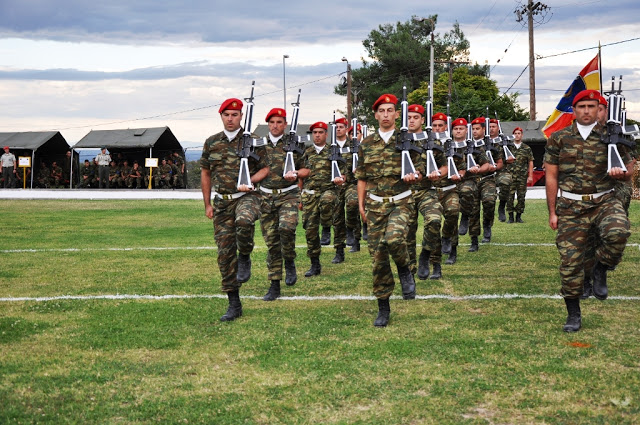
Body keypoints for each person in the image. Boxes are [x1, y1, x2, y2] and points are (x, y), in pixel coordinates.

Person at [544, 89, 633, 333]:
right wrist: (553, 212)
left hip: (604, 200)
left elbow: (629, 170)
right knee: (570, 263)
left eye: (591, 107)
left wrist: (621, 172)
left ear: (598, 109)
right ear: (574, 110)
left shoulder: (613, 135)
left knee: (619, 232)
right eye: (581, 106)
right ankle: (573, 313)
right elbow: (551, 176)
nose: (586, 111)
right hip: (571, 207)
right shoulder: (559, 138)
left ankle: (601, 268)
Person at [355, 94, 422, 327]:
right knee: (378, 258)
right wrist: (361, 205)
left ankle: (404, 268)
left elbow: (421, 169)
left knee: (394, 239)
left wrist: (415, 176)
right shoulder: (366, 144)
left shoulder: (407, 141)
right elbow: (361, 177)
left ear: (396, 114)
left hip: (401, 201)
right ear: (375, 115)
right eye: (381, 111)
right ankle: (383, 306)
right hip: (375, 206)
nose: (385, 114)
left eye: (389, 110)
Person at [200, 97, 269, 322]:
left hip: (246, 196)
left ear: (242, 116)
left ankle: (246, 254)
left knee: (244, 221)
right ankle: (234, 302)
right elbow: (206, 173)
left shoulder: (254, 141)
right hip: (222, 202)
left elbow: (266, 168)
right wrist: (207, 204)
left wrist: (251, 180)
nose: (230, 119)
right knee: (224, 253)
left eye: (235, 115)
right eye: (226, 115)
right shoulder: (212, 142)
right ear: (221, 117)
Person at [258, 107, 305, 301]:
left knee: (286, 228)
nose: (275, 126)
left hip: (288, 195)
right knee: (271, 242)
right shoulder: (258, 145)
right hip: (266, 197)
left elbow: (307, 169)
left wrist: (296, 174)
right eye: (272, 122)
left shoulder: (295, 144)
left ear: (285, 125)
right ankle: (274, 283)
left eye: (279, 122)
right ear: (268, 124)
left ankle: (290, 259)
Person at [297, 121, 345, 278]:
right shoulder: (306, 152)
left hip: (329, 190)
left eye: (320, 132)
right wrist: (299, 196)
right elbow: (300, 176)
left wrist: (340, 179)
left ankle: (328, 231)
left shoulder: (333, 150)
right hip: (309, 194)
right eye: (315, 133)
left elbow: (344, 173)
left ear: (326, 134)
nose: (317, 135)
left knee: (327, 204)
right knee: (310, 230)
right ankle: (315, 263)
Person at [405, 107, 447, 280]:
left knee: (434, 221)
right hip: (405, 193)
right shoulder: (399, 142)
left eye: (416, 117)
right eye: (409, 117)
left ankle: (429, 257)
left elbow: (445, 166)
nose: (412, 120)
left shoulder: (432, 142)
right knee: (407, 232)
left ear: (423, 120)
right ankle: (410, 269)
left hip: (426, 191)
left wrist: (438, 173)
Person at [436, 118, 467, 265]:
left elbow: (462, 166)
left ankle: (451, 248)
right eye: (434, 126)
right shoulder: (425, 146)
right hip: (431, 191)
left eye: (440, 126)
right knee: (432, 223)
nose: (437, 129)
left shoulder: (454, 146)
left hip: (449, 189)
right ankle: (432, 255)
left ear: (445, 127)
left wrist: (459, 175)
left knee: (453, 213)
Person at [459, 118, 493, 252]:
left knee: (488, 202)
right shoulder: (458, 145)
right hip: (465, 181)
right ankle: (473, 240)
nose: (474, 131)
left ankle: (486, 225)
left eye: (477, 128)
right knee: (472, 210)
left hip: (485, 179)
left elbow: (487, 163)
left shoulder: (481, 145)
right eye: (472, 129)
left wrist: (479, 169)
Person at [328, 117, 350, 263]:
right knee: (337, 218)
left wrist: (346, 176)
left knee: (353, 204)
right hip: (334, 186)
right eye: (336, 127)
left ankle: (354, 232)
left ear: (346, 129)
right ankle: (339, 250)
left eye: (341, 127)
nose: (338, 129)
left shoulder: (354, 145)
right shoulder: (330, 147)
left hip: (350, 184)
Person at [506, 127, 533, 223]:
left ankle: (518, 216)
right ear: (513, 135)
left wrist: (530, 176)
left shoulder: (526, 148)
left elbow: (530, 162)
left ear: (522, 135)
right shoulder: (508, 147)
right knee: (509, 196)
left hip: (522, 176)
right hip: (510, 176)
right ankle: (510, 216)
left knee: (521, 197)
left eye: (519, 133)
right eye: (515, 133)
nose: (517, 135)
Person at [345, 124, 364, 252]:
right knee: (353, 205)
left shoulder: (367, 147)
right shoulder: (347, 150)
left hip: (370, 183)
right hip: (353, 184)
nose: (354, 136)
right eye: (352, 134)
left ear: (361, 134)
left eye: (357, 133)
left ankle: (367, 229)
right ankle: (355, 238)